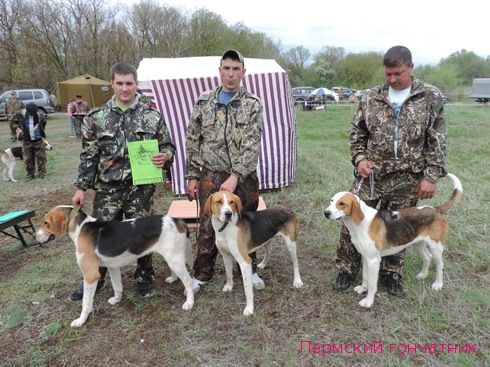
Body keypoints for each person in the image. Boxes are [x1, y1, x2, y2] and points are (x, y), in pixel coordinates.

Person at [332, 45, 447, 298]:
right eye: (388, 74)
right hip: (371, 175)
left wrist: (430, 176)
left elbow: (437, 138)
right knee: (350, 217)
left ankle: (392, 273)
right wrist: (360, 158)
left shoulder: (430, 96)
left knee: (400, 225)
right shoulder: (371, 96)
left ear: (411, 67)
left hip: (408, 177)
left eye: (398, 73)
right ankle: (346, 268)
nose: (392, 79)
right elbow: (357, 133)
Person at [70, 62, 175, 301]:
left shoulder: (152, 116)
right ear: (112, 84)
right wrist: (81, 188)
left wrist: (165, 156)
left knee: (144, 235)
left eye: (129, 83)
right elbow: (89, 156)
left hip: (141, 189)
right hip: (108, 190)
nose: (125, 88)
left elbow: (168, 145)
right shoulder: (96, 118)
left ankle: (144, 278)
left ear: (137, 84)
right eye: (120, 83)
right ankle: (95, 278)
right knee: (99, 236)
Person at [185, 49, 265, 293]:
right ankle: (202, 274)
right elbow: (193, 139)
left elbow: (253, 144)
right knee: (208, 225)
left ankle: (249, 270)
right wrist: (192, 175)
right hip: (211, 174)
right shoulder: (204, 101)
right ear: (219, 71)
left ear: (243, 72)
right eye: (226, 68)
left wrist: (235, 176)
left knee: (247, 224)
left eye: (236, 69)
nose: (231, 74)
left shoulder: (252, 104)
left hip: (243, 177)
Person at [12, 103, 48, 181]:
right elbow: (13, 123)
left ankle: (42, 173)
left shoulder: (39, 115)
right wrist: (18, 129)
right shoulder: (20, 114)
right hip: (26, 141)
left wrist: (41, 131)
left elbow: (44, 123)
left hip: (38, 140)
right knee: (28, 159)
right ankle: (30, 174)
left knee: (41, 157)